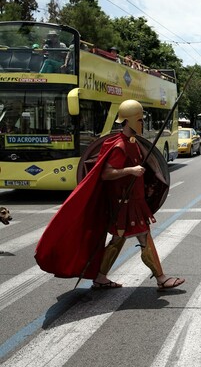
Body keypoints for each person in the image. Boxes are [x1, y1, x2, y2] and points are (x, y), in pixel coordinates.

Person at [35, 99, 185, 291]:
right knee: (143, 238)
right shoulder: (119, 146)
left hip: (133, 201)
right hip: (126, 204)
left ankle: (100, 277)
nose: (141, 123)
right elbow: (107, 173)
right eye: (139, 120)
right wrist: (130, 170)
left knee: (117, 240)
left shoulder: (133, 143)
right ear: (129, 120)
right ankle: (161, 278)